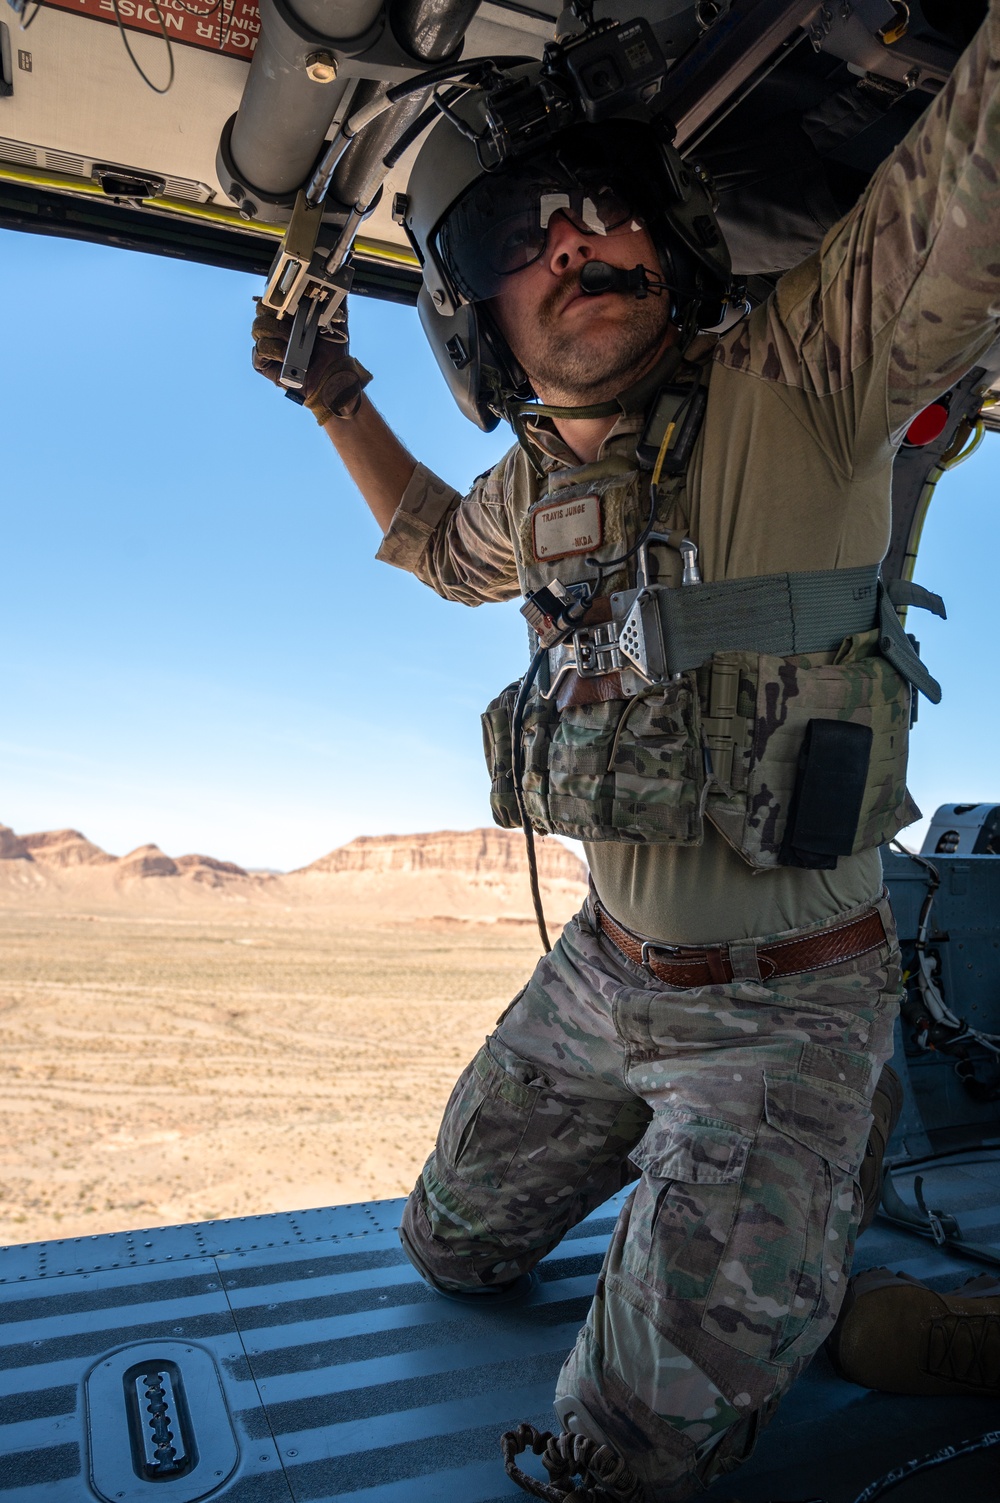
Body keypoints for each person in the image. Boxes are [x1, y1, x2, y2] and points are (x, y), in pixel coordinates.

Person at [251, 5, 1000, 1495]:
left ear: (672, 242)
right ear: (475, 315)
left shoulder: (810, 379)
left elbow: (968, 182)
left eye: (608, 209)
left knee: (621, 1457)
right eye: (523, 236)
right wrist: (335, 395)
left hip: (785, 1016)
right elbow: (425, 543)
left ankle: (844, 1280)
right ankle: (782, 1273)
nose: (578, 240)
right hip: (605, 976)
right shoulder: (536, 493)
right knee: (446, 1250)